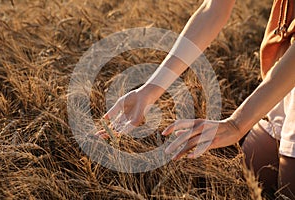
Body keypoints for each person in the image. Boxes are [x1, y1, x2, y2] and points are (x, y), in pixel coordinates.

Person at [97, 0, 295, 198]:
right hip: (281, 69)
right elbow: (213, 9)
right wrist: (149, 90)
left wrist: (237, 124)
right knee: (249, 178)